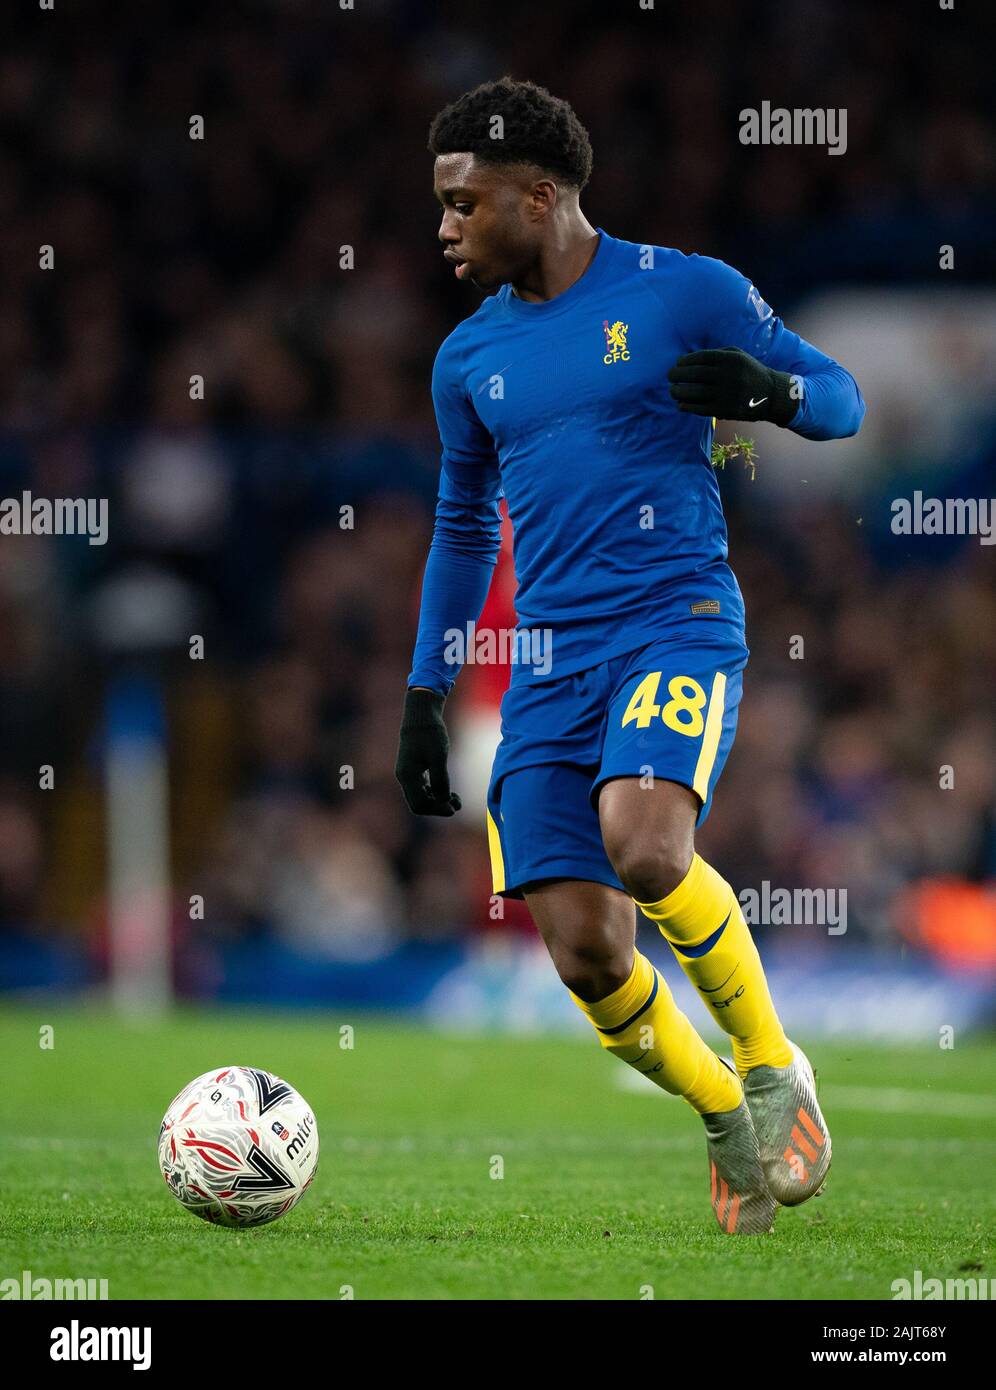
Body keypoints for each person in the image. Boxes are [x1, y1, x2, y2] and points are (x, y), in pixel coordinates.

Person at [396, 77, 864, 1234]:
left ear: (539, 195)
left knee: (646, 849)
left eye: (464, 204)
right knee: (587, 952)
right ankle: (724, 1115)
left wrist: (772, 391)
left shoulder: (683, 289)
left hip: (673, 620)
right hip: (546, 665)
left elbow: (843, 400)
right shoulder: (467, 361)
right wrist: (424, 693)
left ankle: (770, 1065)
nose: (445, 228)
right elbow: (462, 527)